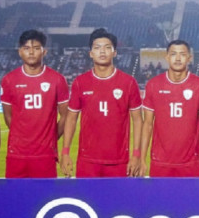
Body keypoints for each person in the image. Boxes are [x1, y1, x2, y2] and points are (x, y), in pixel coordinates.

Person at [61, 28, 143, 178]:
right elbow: (71, 119)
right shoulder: (80, 82)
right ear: (91, 53)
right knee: (87, 200)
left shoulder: (128, 82)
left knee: (118, 201)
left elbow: (138, 120)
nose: (102, 51)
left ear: (115, 52)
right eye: (97, 48)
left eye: (107, 47)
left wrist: (136, 154)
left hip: (119, 161)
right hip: (87, 161)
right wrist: (65, 152)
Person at [0, 30, 69, 178]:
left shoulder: (57, 79)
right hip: (17, 154)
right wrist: (22, 139)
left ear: (44, 52)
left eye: (36, 48)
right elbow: (8, 116)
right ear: (20, 52)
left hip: (45, 154)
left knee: (45, 198)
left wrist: (51, 137)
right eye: (26, 48)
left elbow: (66, 116)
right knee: (15, 198)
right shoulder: (9, 80)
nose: (31, 52)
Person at [140, 39, 199, 177]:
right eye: (174, 54)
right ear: (167, 57)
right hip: (160, 161)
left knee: (189, 199)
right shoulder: (153, 85)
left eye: (183, 54)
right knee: (160, 198)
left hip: (190, 162)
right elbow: (147, 124)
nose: (178, 58)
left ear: (189, 58)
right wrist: (142, 159)